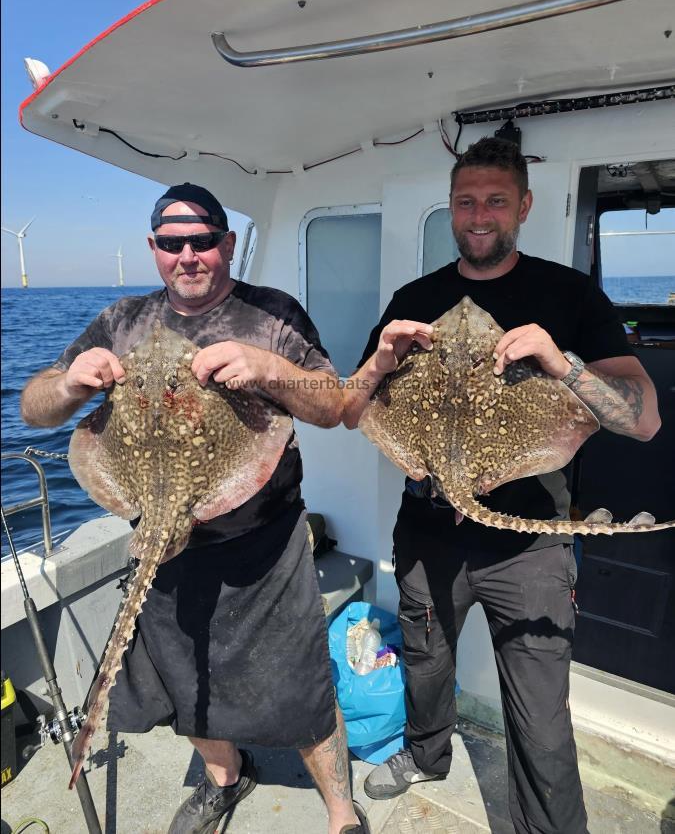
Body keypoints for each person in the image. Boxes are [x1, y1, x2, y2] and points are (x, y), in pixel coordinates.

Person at [21, 183, 369, 834]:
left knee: (299, 689)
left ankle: (341, 812)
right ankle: (222, 779)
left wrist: (267, 367)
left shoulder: (272, 314)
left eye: (202, 240)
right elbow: (34, 407)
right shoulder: (120, 320)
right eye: (172, 243)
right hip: (157, 535)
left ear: (227, 244)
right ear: (153, 248)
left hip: (265, 544)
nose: (188, 254)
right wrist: (69, 382)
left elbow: (335, 407)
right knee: (185, 681)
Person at [342, 139, 661, 834]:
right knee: (426, 666)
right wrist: (379, 362)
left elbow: (642, 421)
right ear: (450, 209)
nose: (478, 215)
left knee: (541, 717)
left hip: (528, 548)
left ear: (522, 205)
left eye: (493, 200)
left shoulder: (568, 294)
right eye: (465, 202)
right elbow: (352, 410)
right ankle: (426, 755)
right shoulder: (414, 298)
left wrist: (557, 358)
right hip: (428, 528)